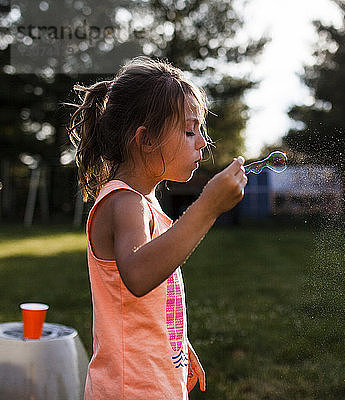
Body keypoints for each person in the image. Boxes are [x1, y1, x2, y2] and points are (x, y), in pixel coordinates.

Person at [68, 56, 248, 399]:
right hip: (130, 389)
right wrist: (208, 207)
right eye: (189, 130)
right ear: (147, 140)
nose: (202, 142)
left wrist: (176, 344)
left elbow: (149, 302)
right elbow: (138, 276)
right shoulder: (125, 203)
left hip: (151, 380)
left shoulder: (143, 203)